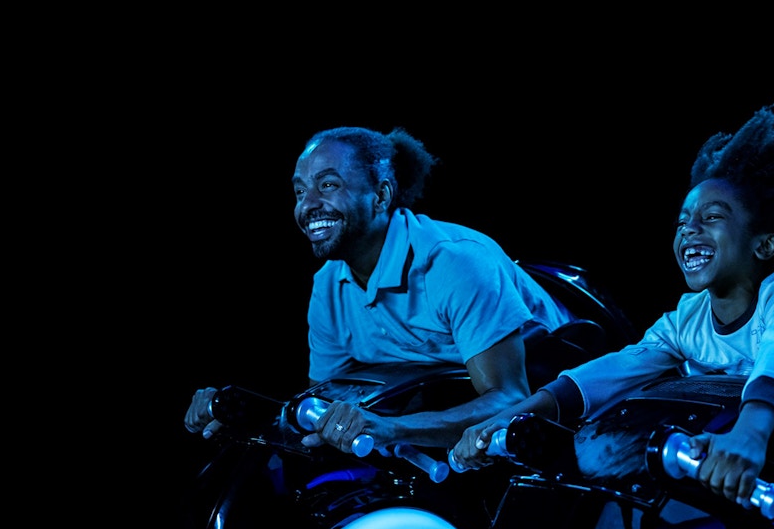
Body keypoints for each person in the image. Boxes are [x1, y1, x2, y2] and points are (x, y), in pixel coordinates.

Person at [450, 90, 774, 506]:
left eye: (711, 218)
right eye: (682, 221)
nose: (690, 229)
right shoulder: (686, 320)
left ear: (763, 245)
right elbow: (605, 376)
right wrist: (511, 417)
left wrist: (749, 434)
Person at [183, 126, 578, 451]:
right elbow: (329, 408)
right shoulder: (328, 286)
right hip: (455, 413)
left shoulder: (454, 264)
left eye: (328, 185)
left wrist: (393, 429)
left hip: (565, 399)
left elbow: (511, 398)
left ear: (381, 196)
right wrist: (244, 418)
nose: (309, 205)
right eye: (301, 191)